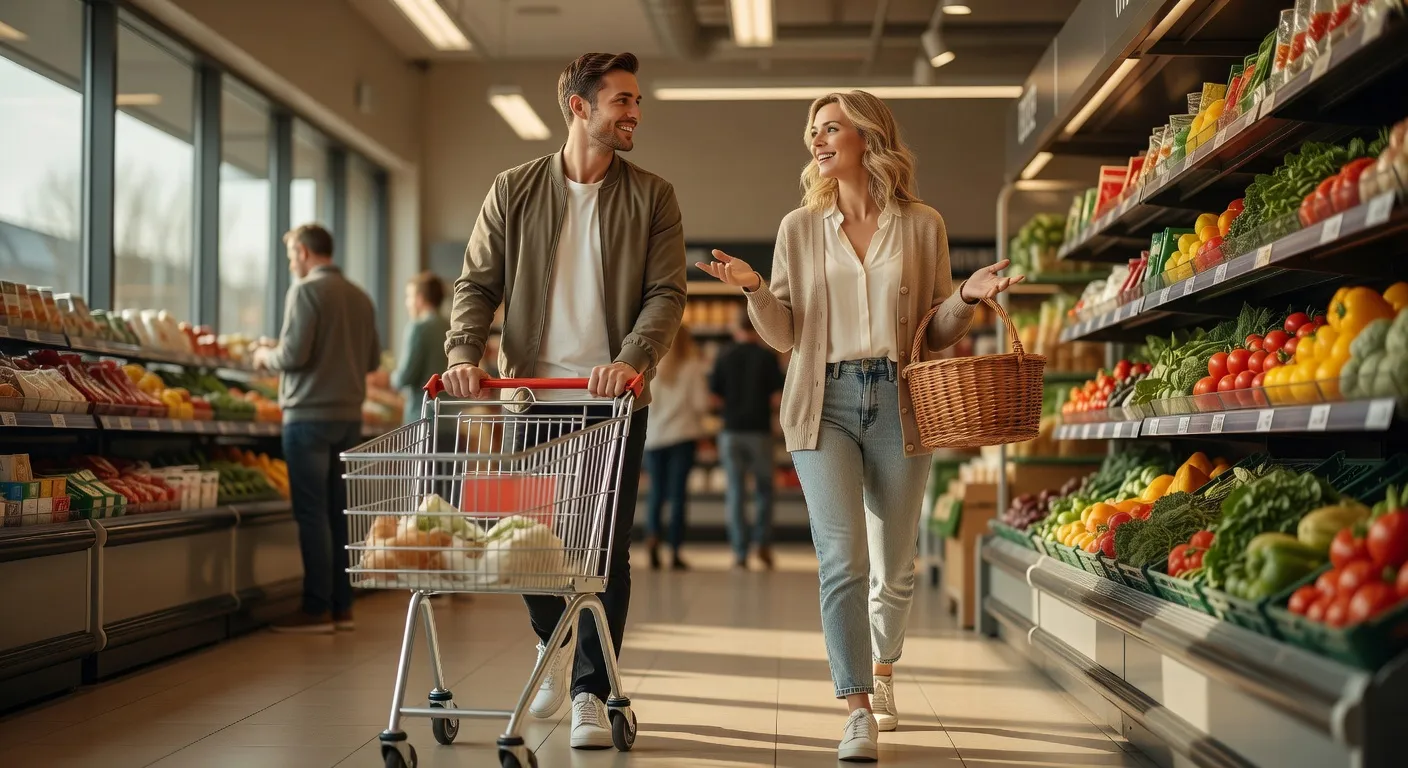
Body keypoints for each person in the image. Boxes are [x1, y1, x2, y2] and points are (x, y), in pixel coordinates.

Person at [696, 91, 1023, 762]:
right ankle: (856, 707)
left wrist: (965, 297)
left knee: (894, 566)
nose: (817, 141)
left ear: (867, 137)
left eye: (831, 128)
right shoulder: (798, 228)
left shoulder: (922, 224)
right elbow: (785, 334)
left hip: (900, 398)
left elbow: (933, 332)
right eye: (813, 131)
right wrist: (757, 290)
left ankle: (883, 666)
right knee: (843, 559)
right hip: (825, 403)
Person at [438, 52, 686, 750]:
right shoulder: (513, 189)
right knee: (531, 548)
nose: (635, 112)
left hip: (613, 404)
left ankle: (588, 691)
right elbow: (476, 284)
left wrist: (629, 362)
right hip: (531, 397)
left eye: (637, 101)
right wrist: (464, 355)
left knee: (604, 547)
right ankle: (554, 647)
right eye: (622, 101)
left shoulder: (653, 196)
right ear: (579, 108)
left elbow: (666, 295)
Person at [253, 224, 382, 635]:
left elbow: (292, 354)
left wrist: (263, 354)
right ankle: (342, 607)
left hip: (307, 417)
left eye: (292, 254)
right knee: (338, 513)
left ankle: (315, 608)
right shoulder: (361, 297)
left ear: (306, 252)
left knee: (311, 514)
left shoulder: (305, 291)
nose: (292, 263)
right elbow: (373, 360)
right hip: (348, 417)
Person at [709, 310, 784, 570]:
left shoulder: (723, 355)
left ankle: (739, 552)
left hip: (731, 432)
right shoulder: (767, 357)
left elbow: (714, 397)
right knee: (764, 490)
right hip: (759, 431)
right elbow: (776, 398)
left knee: (735, 492)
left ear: (734, 328)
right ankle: (762, 544)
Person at [642, 325, 708, 571]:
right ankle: (675, 550)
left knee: (656, 492)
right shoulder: (692, 367)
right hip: (683, 435)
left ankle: (652, 538)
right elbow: (701, 403)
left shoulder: (650, 368)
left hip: (654, 438)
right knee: (678, 495)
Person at [391, 272, 452, 424]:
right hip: (449, 418)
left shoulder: (418, 328)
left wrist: (391, 378)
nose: (407, 302)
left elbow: (406, 376)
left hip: (422, 416)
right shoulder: (450, 327)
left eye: (409, 296)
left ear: (419, 298)